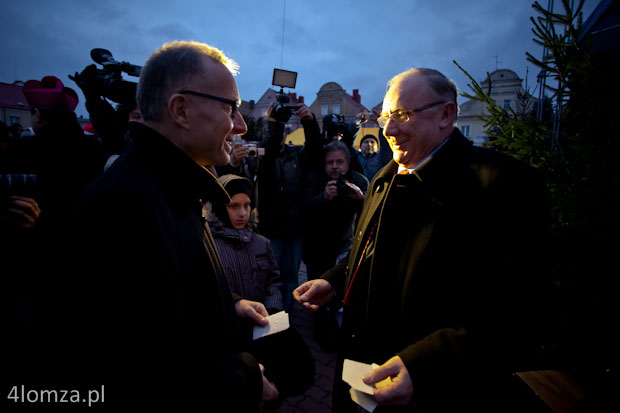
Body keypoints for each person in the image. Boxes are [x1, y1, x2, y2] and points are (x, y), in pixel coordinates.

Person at [294, 68, 550, 411]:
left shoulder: (507, 185)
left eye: (402, 115)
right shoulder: (385, 178)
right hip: (361, 370)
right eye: (386, 116)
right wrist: (335, 281)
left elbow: (516, 311)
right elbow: (372, 253)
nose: (388, 129)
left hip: (435, 392)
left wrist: (424, 363)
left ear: (446, 114)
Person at [64, 41, 279, 410]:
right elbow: (146, 365)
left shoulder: (170, 185)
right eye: (231, 108)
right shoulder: (129, 203)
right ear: (181, 109)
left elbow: (174, 289)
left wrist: (230, 305)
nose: (241, 126)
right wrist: (246, 380)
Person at [207, 174, 315, 405]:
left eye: (246, 205)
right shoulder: (211, 247)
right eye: (233, 206)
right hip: (233, 336)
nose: (242, 213)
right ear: (219, 207)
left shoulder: (261, 242)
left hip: (264, 326)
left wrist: (272, 308)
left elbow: (274, 280)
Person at [302, 140, 368, 350]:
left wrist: (359, 198)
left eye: (340, 162)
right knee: (318, 293)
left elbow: (368, 214)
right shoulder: (314, 179)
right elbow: (303, 211)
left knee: (341, 292)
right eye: (330, 162)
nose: (335, 167)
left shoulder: (358, 181)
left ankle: (340, 331)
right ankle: (321, 331)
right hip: (317, 250)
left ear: (348, 164)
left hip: (344, 248)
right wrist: (323, 197)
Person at [257, 102, 322, 310]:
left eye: (280, 132)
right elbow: (270, 150)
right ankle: (270, 319)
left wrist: (310, 122)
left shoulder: (297, 155)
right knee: (271, 280)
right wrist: (274, 123)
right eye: (274, 132)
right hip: (272, 231)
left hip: (295, 230)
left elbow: (315, 150)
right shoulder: (262, 157)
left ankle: (287, 320)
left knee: (292, 279)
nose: (279, 136)